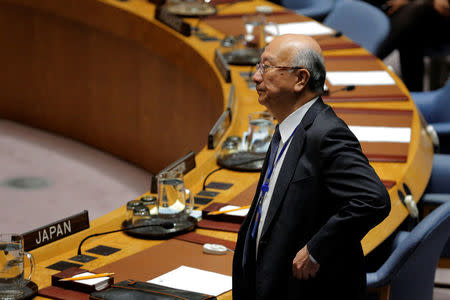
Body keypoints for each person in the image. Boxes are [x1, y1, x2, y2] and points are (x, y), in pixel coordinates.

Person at [232, 34, 391, 299]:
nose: (257, 77)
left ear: (300, 79)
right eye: (258, 67)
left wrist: (316, 249)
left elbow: (373, 199)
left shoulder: (326, 133)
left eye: (267, 67)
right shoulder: (288, 124)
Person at [364, 0, 450, 91]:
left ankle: (365, 63)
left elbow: (442, 6)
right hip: (410, 20)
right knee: (411, 32)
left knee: (416, 12)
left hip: (438, 24)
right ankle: (414, 95)